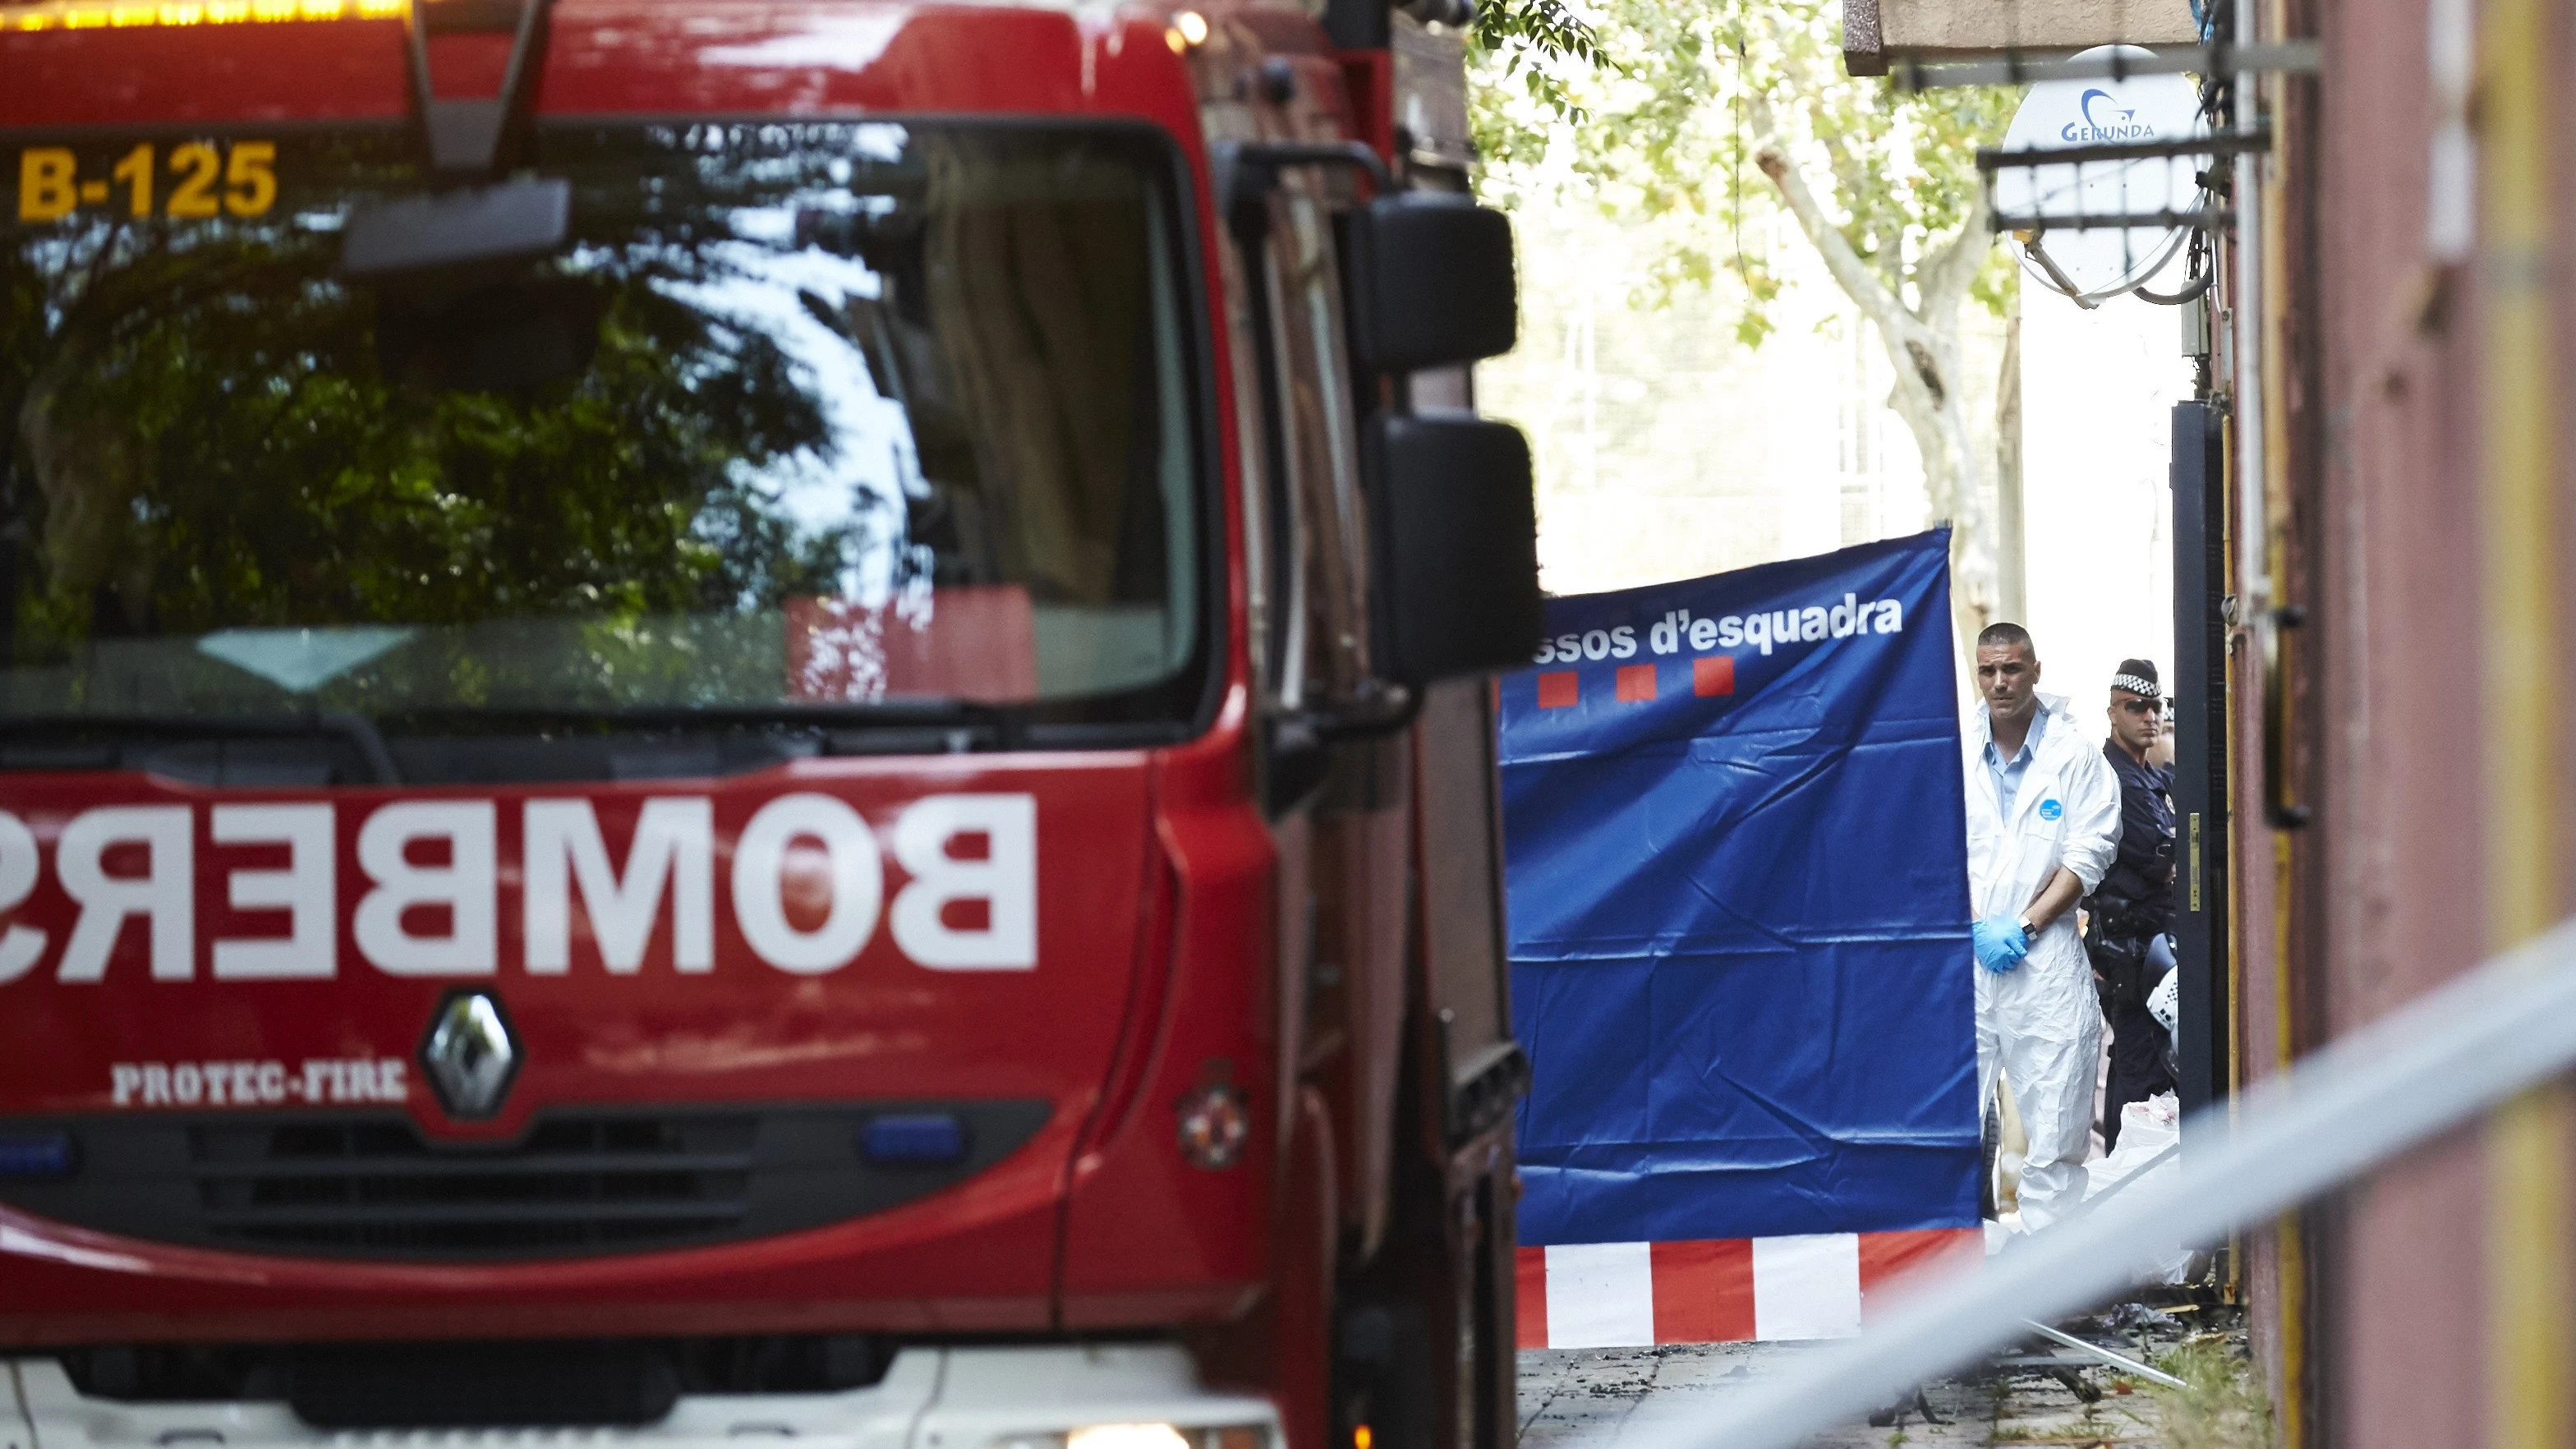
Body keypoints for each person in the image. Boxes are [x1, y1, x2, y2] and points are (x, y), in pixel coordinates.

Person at [1962, 623, 2122, 1230]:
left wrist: (2026, 925)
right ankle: (1951, 1284)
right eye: (1988, 670)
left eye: (2012, 668)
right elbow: (1927, 848)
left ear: (2035, 671)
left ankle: (2048, 1288)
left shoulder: (2074, 756)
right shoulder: (1952, 749)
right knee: (1949, 1126)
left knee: (2056, 1122)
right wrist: (1973, 927)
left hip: (2044, 961)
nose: (2000, 682)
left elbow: (2091, 850)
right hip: (1966, 961)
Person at [2086, 660, 2178, 1150]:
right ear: (2112, 713)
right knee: (2138, 1070)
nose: (2148, 716)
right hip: (2129, 952)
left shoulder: (2151, 777)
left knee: (2143, 1065)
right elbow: (2161, 860)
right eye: (2134, 706)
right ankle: (2127, 1178)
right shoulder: (2111, 778)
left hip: (2152, 948)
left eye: (2154, 706)